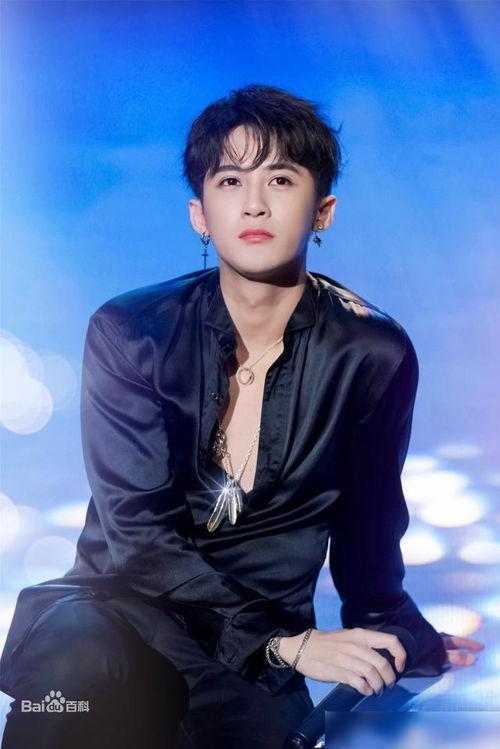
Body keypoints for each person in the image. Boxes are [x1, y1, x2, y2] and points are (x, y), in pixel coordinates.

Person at [0, 84, 483, 749]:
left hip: (250, 651)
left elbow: (369, 527)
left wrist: (400, 632)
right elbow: (139, 536)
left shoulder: (372, 351)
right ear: (200, 214)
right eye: (231, 180)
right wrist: (287, 643)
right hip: (120, 615)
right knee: (76, 671)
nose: (255, 203)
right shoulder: (131, 333)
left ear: (323, 209)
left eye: (280, 179)